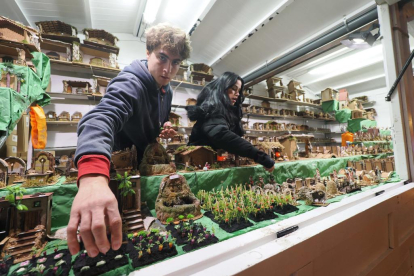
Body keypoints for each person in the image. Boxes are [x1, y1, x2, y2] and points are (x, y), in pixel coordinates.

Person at [67, 23, 192, 257]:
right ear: (148, 52)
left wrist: (162, 128)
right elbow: (101, 117)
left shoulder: (168, 90)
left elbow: (154, 122)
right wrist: (94, 177)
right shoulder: (130, 82)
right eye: (162, 58)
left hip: (144, 166)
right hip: (118, 169)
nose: (167, 69)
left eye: (175, 63)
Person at [186, 72, 275, 172]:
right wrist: (260, 157)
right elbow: (221, 135)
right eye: (233, 88)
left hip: (210, 165)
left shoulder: (226, 111)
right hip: (198, 165)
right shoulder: (212, 109)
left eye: (239, 91)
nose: (237, 94)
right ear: (222, 88)